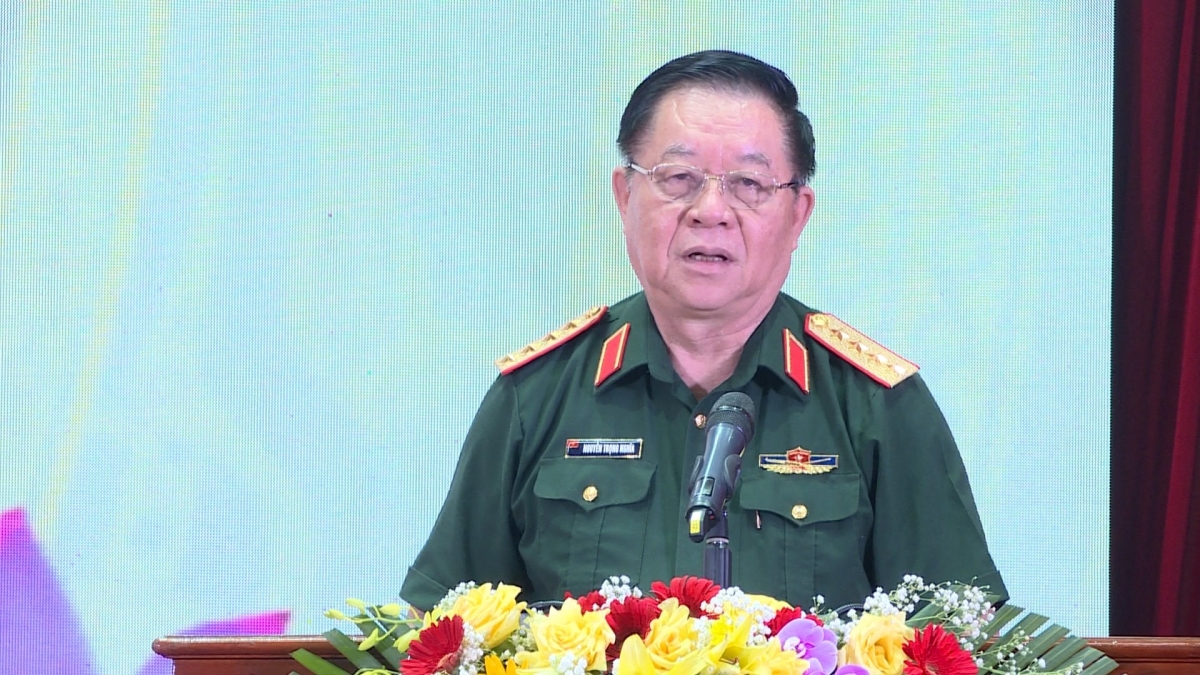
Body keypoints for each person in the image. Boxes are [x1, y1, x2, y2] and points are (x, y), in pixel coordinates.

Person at [400, 50, 1005, 612]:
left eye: (748, 184)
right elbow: (447, 637)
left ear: (798, 214)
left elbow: (956, 642)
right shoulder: (535, 397)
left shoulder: (875, 404)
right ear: (624, 194)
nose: (710, 210)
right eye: (679, 178)